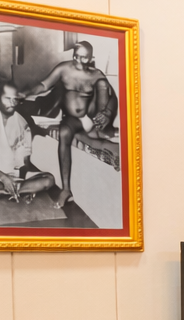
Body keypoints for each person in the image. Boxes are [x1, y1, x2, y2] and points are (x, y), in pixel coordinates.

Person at [20, 41, 114, 207]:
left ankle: (104, 134)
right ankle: (66, 190)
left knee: (102, 85)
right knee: (64, 132)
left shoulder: (96, 75)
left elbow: (112, 98)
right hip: (72, 119)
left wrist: (106, 113)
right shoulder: (64, 68)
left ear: (91, 58)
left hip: (91, 118)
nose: (79, 61)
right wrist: (26, 92)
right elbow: (44, 85)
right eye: (76, 56)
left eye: (84, 58)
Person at [0, 82, 56, 202]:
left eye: (15, 99)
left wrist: (15, 179)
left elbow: (25, 163)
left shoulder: (22, 123)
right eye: (8, 98)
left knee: (49, 179)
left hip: (15, 176)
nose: (12, 103)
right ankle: (20, 190)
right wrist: (4, 178)